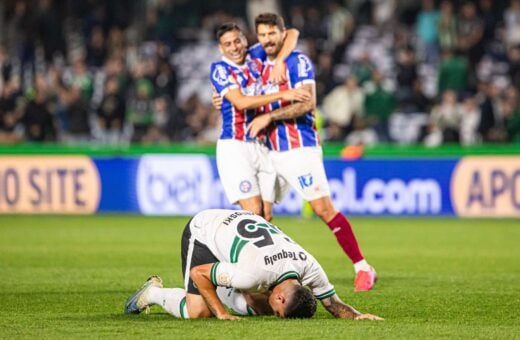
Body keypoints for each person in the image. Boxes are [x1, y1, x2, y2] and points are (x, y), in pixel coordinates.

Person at [246, 13, 377, 291]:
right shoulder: (257, 58)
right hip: (266, 150)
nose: (267, 40)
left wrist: (270, 117)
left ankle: (363, 268)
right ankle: (272, 273)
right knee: (261, 216)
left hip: (299, 148)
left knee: (322, 209)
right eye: (263, 35)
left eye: (272, 34)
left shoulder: (298, 61)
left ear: (281, 34)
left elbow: (307, 104)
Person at [124, 209, 383, 321]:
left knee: (257, 303)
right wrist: (222, 314)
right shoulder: (253, 274)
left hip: (242, 236)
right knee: (199, 312)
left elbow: (334, 305)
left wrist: (358, 316)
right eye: (279, 311)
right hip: (206, 230)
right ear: (280, 297)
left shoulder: (311, 268)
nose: (276, 313)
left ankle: (228, 291)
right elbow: (199, 274)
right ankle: (152, 293)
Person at [210, 23, 311, 221]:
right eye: (228, 44)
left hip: (262, 144)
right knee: (254, 212)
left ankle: (256, 251)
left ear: (245, 41)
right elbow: (241, 102)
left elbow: (291, 33)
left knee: (266, 216)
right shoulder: (220, 69)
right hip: (235, 147)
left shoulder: (255, 56)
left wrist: (280, 60)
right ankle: (228, 248)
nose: (234, 47)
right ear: (221, 49)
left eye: (237, 41)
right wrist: (284, 95)